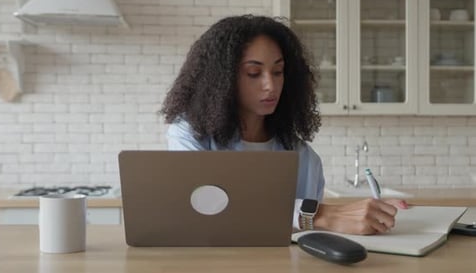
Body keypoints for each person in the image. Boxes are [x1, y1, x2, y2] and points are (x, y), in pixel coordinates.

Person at [160, 14, 407, 235]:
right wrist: (320, 215)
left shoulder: (305, 158)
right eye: (254, 73)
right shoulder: (189, 133)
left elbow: (304, 237)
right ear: (221, 80)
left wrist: (373, 214)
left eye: (278, 72)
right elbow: (204, 207)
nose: (270, 85)